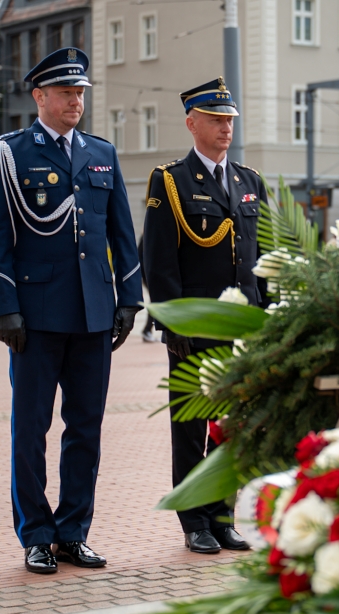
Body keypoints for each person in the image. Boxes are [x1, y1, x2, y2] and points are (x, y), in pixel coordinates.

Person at [0, 47, 142, 574]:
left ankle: (73, 531)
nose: (76, 101)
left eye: (80, 93)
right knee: (30, 431)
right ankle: (36, 533)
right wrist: (5, 308)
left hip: (94, 314)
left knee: (86, 428)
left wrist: (129, 299)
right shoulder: (9, 153)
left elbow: (122, 232)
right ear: (39, 96)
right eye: (66, 92)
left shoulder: (101, 153)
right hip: (36, 315)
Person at [142, 77, 263, 555]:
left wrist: (269, 320)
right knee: (192, 425)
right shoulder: (169, 180)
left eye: (229, 120)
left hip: (244, 329)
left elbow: (265, 259)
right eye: (215, 120)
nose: (225, 128)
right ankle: (194, 521)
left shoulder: (249, 181)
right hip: (196, 327)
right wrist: (173, 324)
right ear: (192, 123)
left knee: (234, 425)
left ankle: (223, 515)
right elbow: (159, 260)